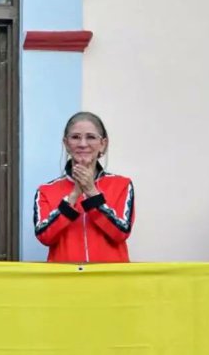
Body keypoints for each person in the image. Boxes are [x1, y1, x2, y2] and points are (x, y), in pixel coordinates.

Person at [33, 111, 134, 264]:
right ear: (66, 144)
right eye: (75, 137)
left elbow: (120, 232)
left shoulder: (122, 185)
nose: (82, 144)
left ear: (103, 144)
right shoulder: (46, 190)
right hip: (65, 280)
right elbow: (44, 236)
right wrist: (73, 196)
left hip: (110, 280)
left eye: (91, 137)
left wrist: (92, 193)